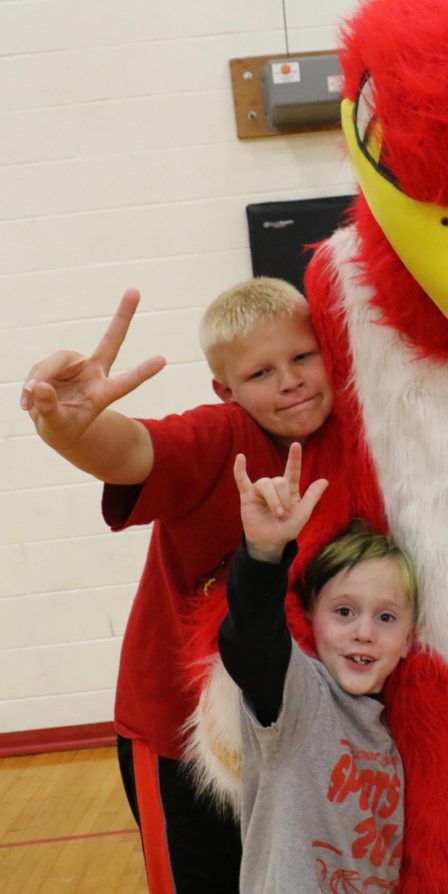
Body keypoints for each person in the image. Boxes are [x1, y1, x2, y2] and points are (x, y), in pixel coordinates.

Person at [19, 277, 334, 893]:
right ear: (229, 391)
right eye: (262, 372)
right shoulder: (221, 438)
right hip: (183, 744)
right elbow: (134, 449)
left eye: (301, 357)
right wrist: (72, 432)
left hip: (297, 737)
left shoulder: (355, 442)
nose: (290, 380)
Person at [223, 442, 415, 892]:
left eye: (386, 617)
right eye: (344, 612)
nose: (363, 632)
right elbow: (251, 640)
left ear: (409, 640)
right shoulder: (302, 696)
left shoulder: (386, 735)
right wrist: (264, 554)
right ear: (311, 617)